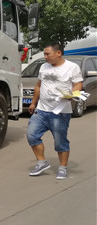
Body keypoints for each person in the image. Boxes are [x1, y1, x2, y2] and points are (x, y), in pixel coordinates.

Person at [27, 43, 83, 179]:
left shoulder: (72, 67)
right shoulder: (44, 67)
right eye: (44, 54)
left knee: (60, 142)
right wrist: (33, 103)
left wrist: (72, 94)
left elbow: (78, 84)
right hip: (41, 110)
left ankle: (63, 168)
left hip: (60, 112)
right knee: (32, 135)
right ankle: (42, 162)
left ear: (58, 53)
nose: (45, 57)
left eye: (48, 54)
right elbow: (39, 85)